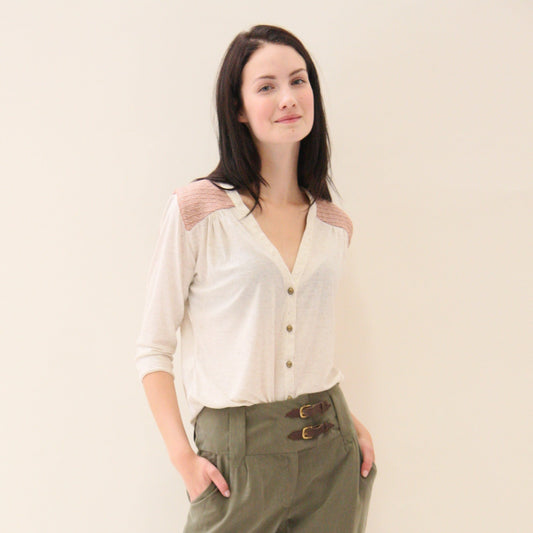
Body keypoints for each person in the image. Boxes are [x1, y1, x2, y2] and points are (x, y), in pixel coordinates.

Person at [135, 24, 377, 532]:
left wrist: (347, 421)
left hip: (331, 454)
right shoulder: (199, 210)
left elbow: (312, 343)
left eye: (298, 81)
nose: (288, 98)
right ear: (239, 108)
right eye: (267, 86)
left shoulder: (334, 225)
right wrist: (184, 460)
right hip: (234, 463)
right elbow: (154, 348)